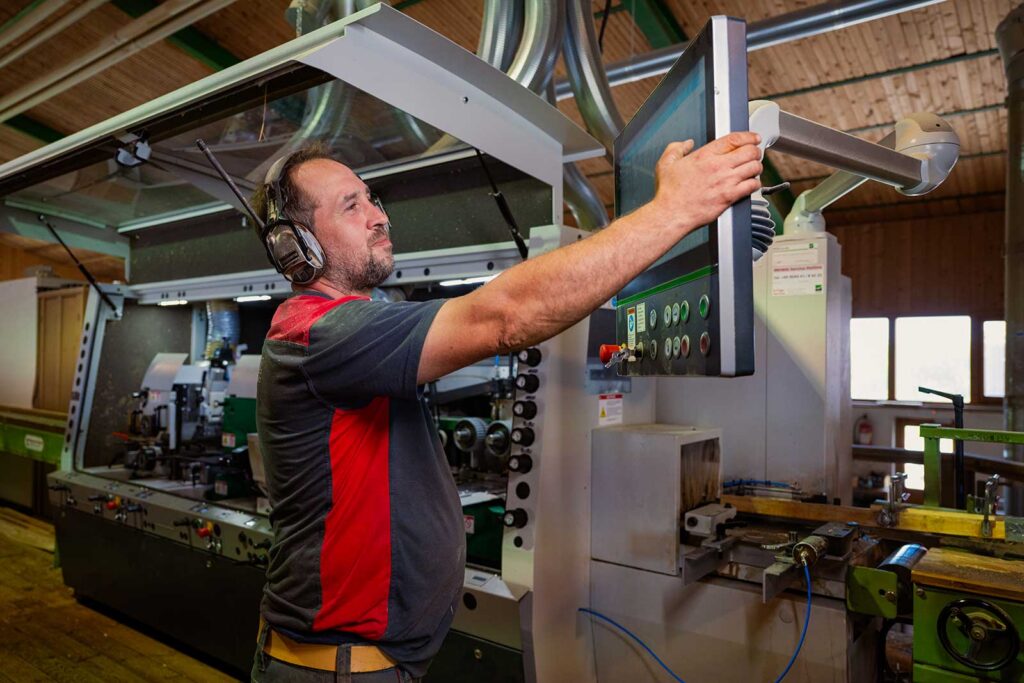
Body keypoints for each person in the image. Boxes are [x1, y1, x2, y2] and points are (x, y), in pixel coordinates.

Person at [249, 132, 762, 682]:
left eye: (372, 199)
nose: (379, 216)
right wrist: (674, 209)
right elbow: (504, 318)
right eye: (352, 206)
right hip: (337, 669)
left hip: (370, 663)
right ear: (296, 247)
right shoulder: (318, 332)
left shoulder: (351, 330)